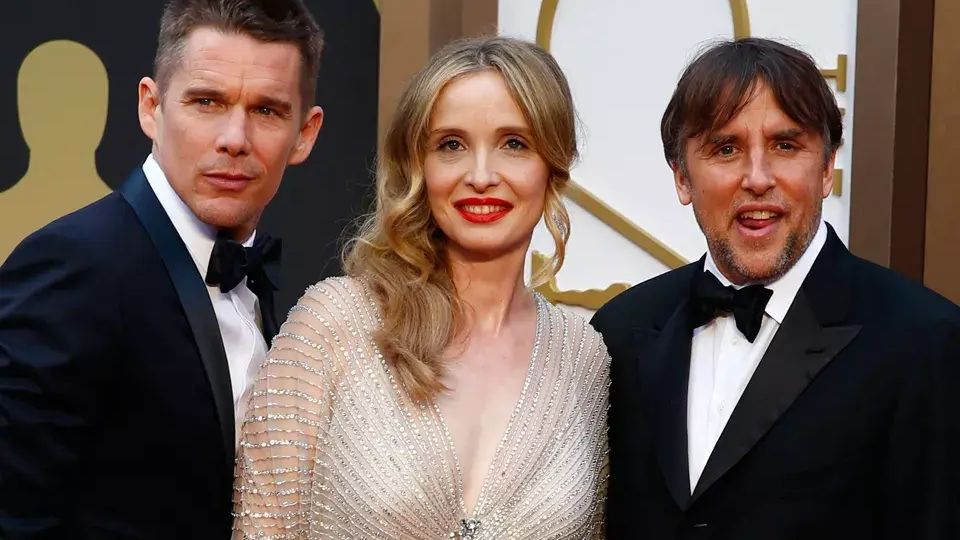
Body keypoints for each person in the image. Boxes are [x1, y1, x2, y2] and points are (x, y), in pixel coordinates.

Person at [230, 36, 609, 540]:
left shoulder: (584, 357)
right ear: (418, 167)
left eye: (514, 144)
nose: (480, 176)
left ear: (553, 165)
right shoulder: (333, 325)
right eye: (451, 145)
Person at [592, 37, 960, 539]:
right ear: (682, 177)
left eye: (786, 146)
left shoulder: (924, 341)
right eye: (726, 149)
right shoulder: (620, 330)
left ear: (827, 168)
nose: (758, 178)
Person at [0, 0, 324, 538]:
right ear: (151, 107)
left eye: (267, 110)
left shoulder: (262, 286)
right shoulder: (75, 265)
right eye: (206, 101)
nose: (234, 138)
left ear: (305, 134)